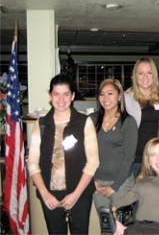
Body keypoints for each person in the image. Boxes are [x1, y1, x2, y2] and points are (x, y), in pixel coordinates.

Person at [28, 75, 100, 234]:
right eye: (56, 94)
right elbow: (33, 163)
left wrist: (76, 195)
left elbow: (93, 162)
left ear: (73, 96)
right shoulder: (41, 125)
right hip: (50, 196)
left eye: (66, 94)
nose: (61, 99)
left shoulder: (84, 123)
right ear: (50, 96)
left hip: (79, 195)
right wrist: (45, 194)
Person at [90, 79, 138, 215]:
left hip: (121, 184)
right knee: (106, 227)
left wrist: (115, 186)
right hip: (97, 184)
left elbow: (129, 158)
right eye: (101, 94)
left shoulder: (128, 122)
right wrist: (92, 180)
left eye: (110, 93)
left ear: (119, 96)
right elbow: (86, 153)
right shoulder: (92, 120)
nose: (105, 98)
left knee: (121, 227)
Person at [125, 56, 159, 177]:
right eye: (141, 73)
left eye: (149, 73)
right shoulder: (126, 98)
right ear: (135, 76)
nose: (145, 77)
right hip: (135, 159)